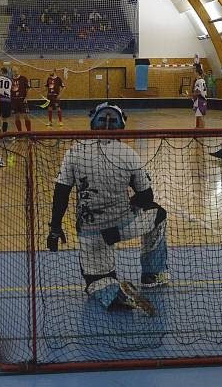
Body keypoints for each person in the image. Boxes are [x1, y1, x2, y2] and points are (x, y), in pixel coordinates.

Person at [46, 102, 168, 315]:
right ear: (121, 127)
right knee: (158, 214)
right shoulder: (128, 154)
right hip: (123, 225)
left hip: (91, 233)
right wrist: (128, 207)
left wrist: (55, 227)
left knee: (97, 282)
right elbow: (147, 197)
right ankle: (151, 275)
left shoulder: (75, 152)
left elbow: (61, 193)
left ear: (92, 123)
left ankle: (111, 290)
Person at [11, 66, 32, 132]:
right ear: (12, 72)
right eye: (14, 71)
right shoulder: (10, 80)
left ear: (19, 70)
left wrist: (26, 97)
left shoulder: (23, 78)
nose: (15, 72)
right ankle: (20, 133)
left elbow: (28, 88)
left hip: (22, 100)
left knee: (26, 116)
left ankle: (29, 132)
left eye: (16, 71)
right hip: (14, 100)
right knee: (16, 117)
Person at [0, 67, 13, 133]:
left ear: (1, 72)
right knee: (5, 119)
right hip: (7, 101)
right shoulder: (10, 80)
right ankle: (4, 134)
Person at [191, 63, 207, 129]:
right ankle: (200, 129)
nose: (193, 72)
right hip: (202, 101)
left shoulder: (198, 81)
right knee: (200, 117)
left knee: (200, 118)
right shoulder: (202, 80)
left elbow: (198, 92)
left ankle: (202, 131)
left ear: (197, 72)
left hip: (200, 101)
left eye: (194, 71)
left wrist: (190, 95)